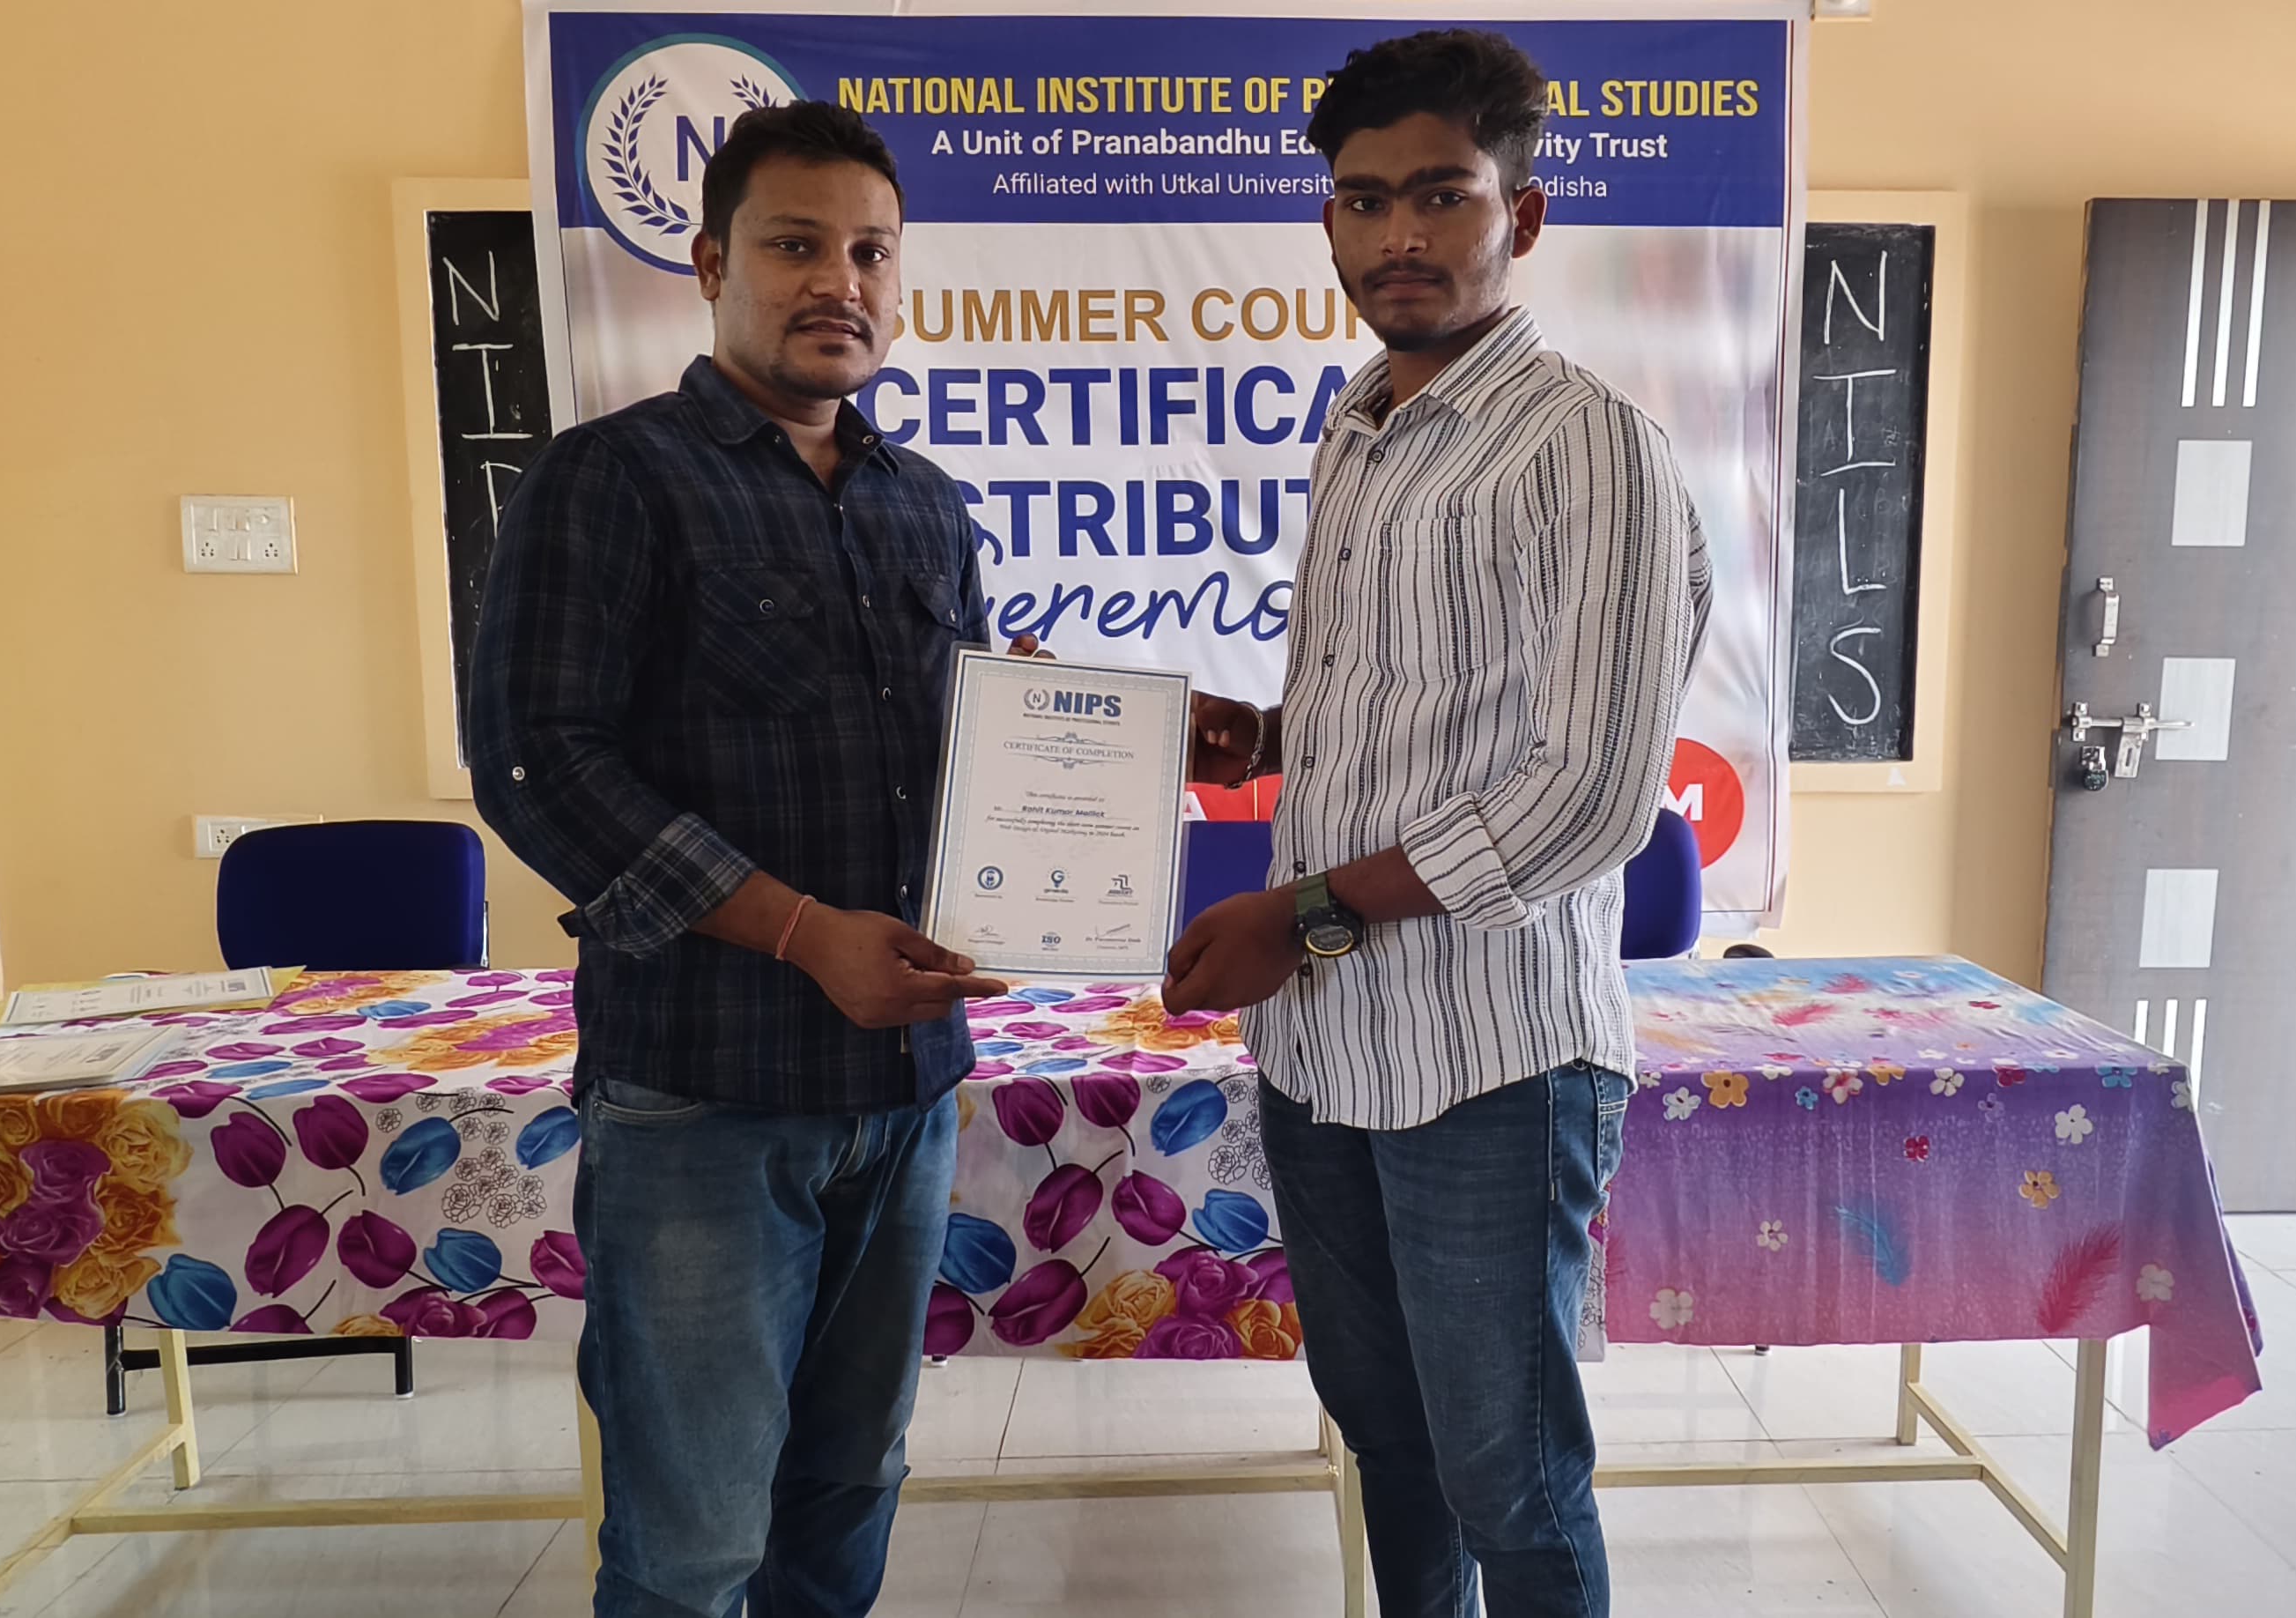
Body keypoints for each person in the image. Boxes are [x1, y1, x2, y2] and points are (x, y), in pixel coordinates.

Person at [468, 102, 1255, 1618]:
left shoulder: (923, 504)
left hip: (902, 1094)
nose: (841, 281)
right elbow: (537, 765)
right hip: (705, 1093)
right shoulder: (610, 481)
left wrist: (1124, 745)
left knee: (846, 1491)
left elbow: (947, 755)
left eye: (872, 253)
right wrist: (798, 930)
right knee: (695, 1537)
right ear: (712, 263)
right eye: (795, 245)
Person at [1161, 29, 1711, 1618]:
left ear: (1520, 216)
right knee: (1387, 1439)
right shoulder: (1362, 421)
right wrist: (1267, 734)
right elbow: (1431, 705)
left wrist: (1303, 914)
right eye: (1363, 199)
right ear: (1328, 222)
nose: (1399, 233)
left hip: (1492, 1058)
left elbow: (1587, 796)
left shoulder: (1589, 447)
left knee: (1507, 1476)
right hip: (1327, 1048)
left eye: (1441, 196)